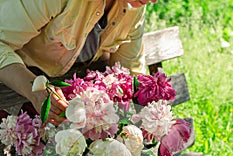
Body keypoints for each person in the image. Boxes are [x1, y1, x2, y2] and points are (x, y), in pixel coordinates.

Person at [0, 0, 157, 124]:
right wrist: (35, 92)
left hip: (72, 116)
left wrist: (142, 120)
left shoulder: (134, 8)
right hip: (12, 105)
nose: (154, 1)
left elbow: (129, 76)